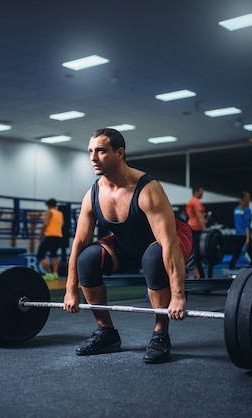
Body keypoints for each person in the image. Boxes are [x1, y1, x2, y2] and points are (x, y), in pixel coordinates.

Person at [63, 128, 193, 364]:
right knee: (87, 259)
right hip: (128, 245)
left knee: (154, 257)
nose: (93, 158)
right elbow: (79, 243)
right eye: (90, 151)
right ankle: (106, 333)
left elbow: (169, 242)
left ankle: (160, 334)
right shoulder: (92, 195)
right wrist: (70, 288)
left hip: (171, 240)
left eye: (101, 151)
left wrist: (178, 295)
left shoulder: (146, 189)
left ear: (120, 153)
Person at [37, 198, 64, 280]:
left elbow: (45, 224)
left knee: (40, 254)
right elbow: (62, 224)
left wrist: (41, 234)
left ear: (48, 205)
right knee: (54, 254)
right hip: (59, 236)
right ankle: (55, 273)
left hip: (50, 236)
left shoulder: (49, 212)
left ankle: (48, 273)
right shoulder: (60, 213)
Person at [186, 184, 206, 278]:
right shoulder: (197, 202)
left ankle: (197, 274)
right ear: (197, 191)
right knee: (197, 255)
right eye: (201, 191)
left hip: (190, 228)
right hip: (196, 230)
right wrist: (205, 231)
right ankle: (200, 276)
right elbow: (199, 217)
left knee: (194, 254)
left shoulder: (190, 201)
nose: (203, 193)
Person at [228, 191, 252, 269]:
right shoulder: (247, 210)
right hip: (244, 235)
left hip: (237, 235)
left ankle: (230, 268)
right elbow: (246, 225)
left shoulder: (236, 209)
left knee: (235, 255)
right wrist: (248, 238)